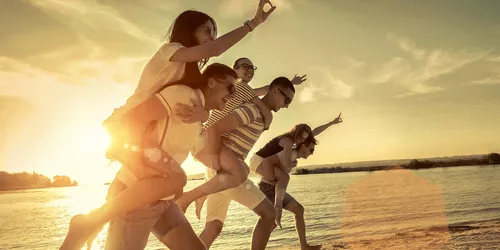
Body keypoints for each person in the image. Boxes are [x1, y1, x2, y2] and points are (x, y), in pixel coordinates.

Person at [60, 0, 276, 248]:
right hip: (126, 127)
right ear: (188, 29)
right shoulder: (170, 51)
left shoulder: (188, 86)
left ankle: (91, 221)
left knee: (173, 186)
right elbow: (214, 50)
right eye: (207, 30)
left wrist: (204, 116)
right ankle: (90, 221)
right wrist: (253, 23)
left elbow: (192, 96)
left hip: (153, 186)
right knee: (176, 181)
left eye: (213, 32)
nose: (211, 37)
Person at [174, 56, 307, 215]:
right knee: (241, 174)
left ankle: (200, 194)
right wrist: (267, 116)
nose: (250, 70)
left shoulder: (243, 91)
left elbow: (265, 91)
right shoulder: (240, 88)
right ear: (234, 70)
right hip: (209, 137)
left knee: (242, 170)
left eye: (252, 68)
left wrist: (288, 86)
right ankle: (190, 197)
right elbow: (263, 97)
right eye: (245, 66)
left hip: (212, 137)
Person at [188, 77, 296, 250]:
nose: (287, 105)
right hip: (226, 171)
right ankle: (195, 194)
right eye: (287, 100)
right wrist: (217, 165)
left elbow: (266, 119)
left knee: (213, 227)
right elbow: (214, 128)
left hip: (223, 171)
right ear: (275, 91)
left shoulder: (263, 116)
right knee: (268, 215)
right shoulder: (252, 110)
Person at [248, 113, 343, 250]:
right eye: (310, 148)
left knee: (298, 210)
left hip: (270, 182)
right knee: (269, 219)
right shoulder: (287, 143)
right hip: (260, 168)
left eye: (304, 138)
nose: (311, 152)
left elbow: (314, 132)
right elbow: (273, 162)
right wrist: (290, 165)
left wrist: (331, 123)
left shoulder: (294, 148)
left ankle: (304, 246)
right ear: (301, 141)